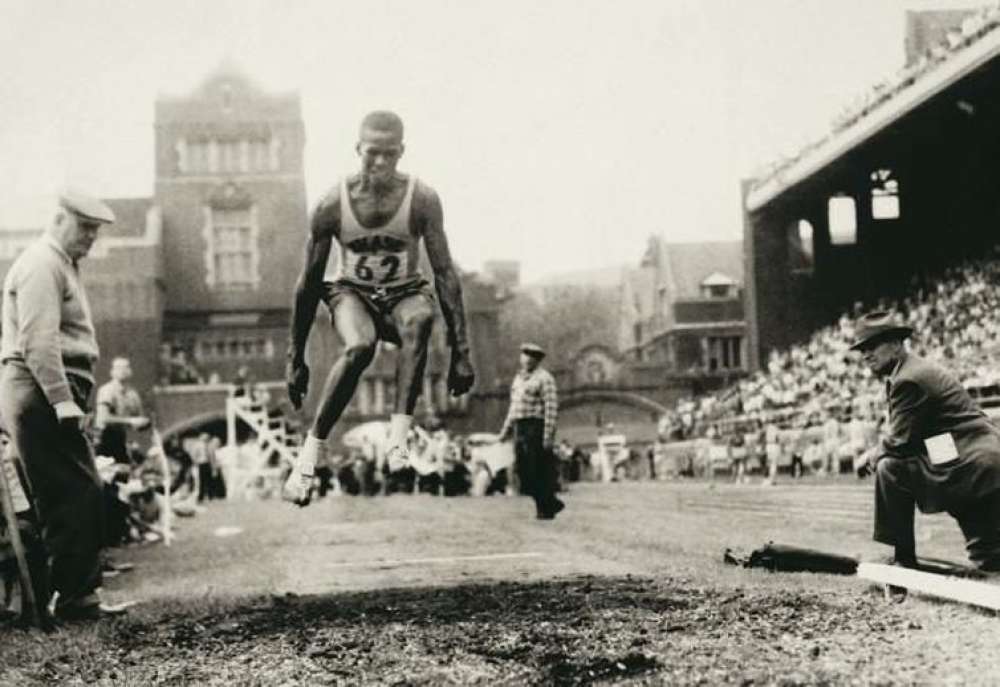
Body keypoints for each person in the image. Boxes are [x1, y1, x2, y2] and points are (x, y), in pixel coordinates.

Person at [284, 111, 475, 506]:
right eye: (373, 154)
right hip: (351, 292)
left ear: (401, 152)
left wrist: (461, 352)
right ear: (358, 150)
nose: (381, 163)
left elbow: (445, 274)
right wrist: (295, 357)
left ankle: (397, 441)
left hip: (404, 291)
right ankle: (308, 457)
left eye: (390, 154)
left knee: (420, 319)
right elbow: (308, 283)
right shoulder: (331, 204)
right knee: (360, 347)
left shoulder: (421, 198)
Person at [0, 190, 131, 621]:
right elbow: (37, 341)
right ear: (59, 220)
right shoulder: (42, 262)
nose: (92, 237)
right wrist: (61, 400)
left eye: (96, 229)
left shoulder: (60, 264)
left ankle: (73, 595)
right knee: (76, 492)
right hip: (40, 391)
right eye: (85, 227)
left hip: (48, 392)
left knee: (72, 492)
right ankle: (75, 598)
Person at [853, 311, 1000, 573]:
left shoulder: (909, 378)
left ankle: (903, 559)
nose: (865, 355)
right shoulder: (910, 370)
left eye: (872, 346)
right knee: (990, 560)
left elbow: (898, 442)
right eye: (862, 349)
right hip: (970, 459)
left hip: (970, 463)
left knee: (889, 467)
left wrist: (870, 456)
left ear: (897, 344)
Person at [498, 343, 563, 519]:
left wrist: (548, 435)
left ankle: (544, 509)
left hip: (536, 426)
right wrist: (505, 431)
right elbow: (514, 408)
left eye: (531, 356)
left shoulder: (545, 378)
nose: (526, 359)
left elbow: (551, 408)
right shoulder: (518, 379)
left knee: (536, 469)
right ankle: (551, 503)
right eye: (524, 355)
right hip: (520, 426)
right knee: (522, 470)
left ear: (537, 360)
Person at [93, 356, 150, 464]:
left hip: (124, 440)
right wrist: (130, 421)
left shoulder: (133, 394)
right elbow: (103, 418)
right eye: (119, 368)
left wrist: (144, 423)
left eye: (126, 367)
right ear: (112, 371)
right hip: (105, 440)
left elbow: (138, 418)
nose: (123, 371)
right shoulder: (107, 391)